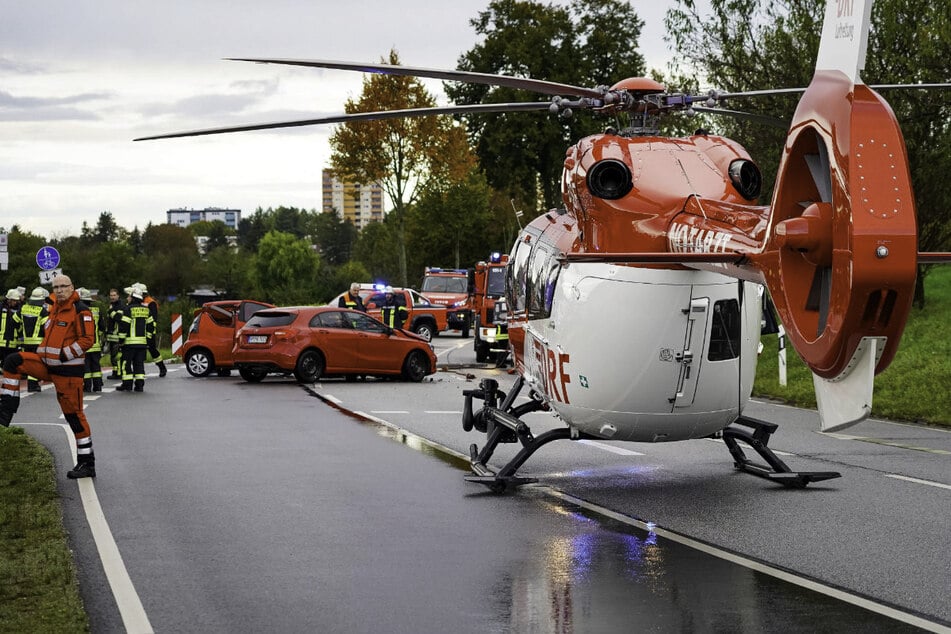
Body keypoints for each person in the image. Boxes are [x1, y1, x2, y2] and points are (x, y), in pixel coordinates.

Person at [0, 275, 98, 478]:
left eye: (64, 286)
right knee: (13, 361)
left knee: (74, 417)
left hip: (68, 372)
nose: (60, 290)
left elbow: (88, 339)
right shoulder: (54, 309)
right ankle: (5, 414)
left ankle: (87, 463)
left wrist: (63, 355)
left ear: (72, 288)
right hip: (47, 365)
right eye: (56, 287)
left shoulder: (81, 310)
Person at [117, 288, 154, 392]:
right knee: (139, 365)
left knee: (126, 364)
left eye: (129, 296)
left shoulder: (128, 309)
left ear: (133, 298)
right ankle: (139, 385)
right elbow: (151, 327)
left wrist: (121, 340)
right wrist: (147, 339)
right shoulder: (147, 310)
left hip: (129, 344)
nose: (128, 298)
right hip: (142, 344)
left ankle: (127, 385)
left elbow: (124, 326)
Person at [20, 286, 50, 392]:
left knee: (28, 363)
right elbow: (47, 327)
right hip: (38, 342)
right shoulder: (42, 311)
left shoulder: (23, 308)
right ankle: (33, 385)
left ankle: (31, 385)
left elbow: (14, 322)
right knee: (36, 363)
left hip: (26, 342)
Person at [134, 283, 167, 377]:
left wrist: (151, 331)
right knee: (140, 351)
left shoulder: (151, 302)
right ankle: (141, 370)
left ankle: (162, 367)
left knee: (152, 350)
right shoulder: (138, 301)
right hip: (139, 330)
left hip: (149, 330)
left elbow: (154, 318)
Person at [77, 288, 106, 392]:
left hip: (84, 345)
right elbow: (102, 328)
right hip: (96, 345)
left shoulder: (79, 311)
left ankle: (87, 386)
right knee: (96, 367)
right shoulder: (97, 311)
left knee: (86, 368)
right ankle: (98, 386)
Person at [105, 288, 125, 380]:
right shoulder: (111, 305)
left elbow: (119, 318)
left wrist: (110, 311)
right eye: (111, 295)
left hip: (117, 336)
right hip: (111, 336)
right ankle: (115, 372)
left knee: (116, 356)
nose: (112, 297)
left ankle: (118, 373)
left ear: (118, 296)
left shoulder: (121, 306)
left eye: (114, 295)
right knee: (113, 356)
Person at [0, 289, 23, 365]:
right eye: (14, 300)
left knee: (9, 362)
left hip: (13, 341)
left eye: (16, 300)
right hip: (1, 341)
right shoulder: (1, 307)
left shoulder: (19, 309)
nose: (15, 302)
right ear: (9, 299)